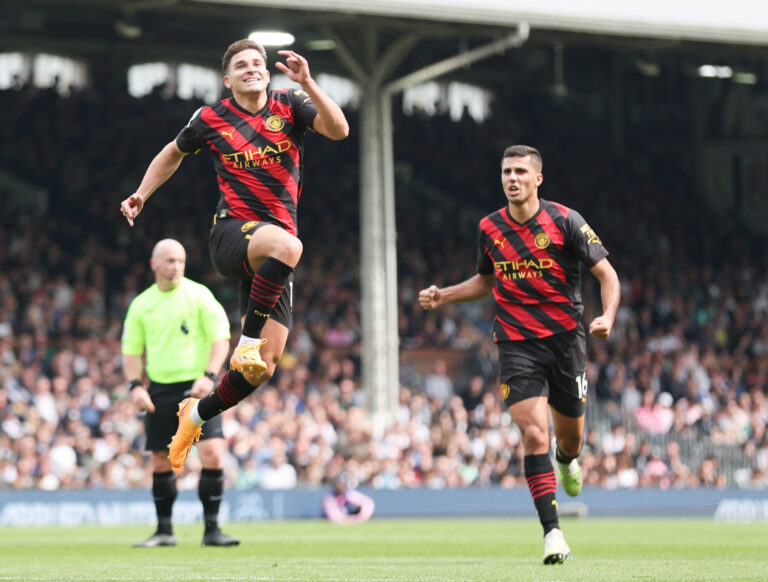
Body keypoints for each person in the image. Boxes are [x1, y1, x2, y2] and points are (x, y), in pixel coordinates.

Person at [119, 39, 349, 474]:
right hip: (231, 237)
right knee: (289, 246)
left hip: (272, 258)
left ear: (268, 72)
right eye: (241, 65)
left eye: (258, 63)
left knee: (264, 368)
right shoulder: (211, 118)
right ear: (228, 80)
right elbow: (172, 153)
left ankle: (196, 415)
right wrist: (141, 194)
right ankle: (246, 342)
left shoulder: (290, 104)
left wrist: (309, 83)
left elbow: (339, 130)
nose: (251, 69)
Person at [418, 145, 620, 565]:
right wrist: (444, 295)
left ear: (537, 179)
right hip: (516, 343)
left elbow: (607, 275)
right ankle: (553, 534)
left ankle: (567, 460)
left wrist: (608, 316)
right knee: (533, 434)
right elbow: (485, 280)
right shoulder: (490, 227)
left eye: (521, 172)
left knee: (570, 440)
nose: (512, 178)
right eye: (507, 171)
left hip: (566, 343)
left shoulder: (566, 220)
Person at [122, 238, 239, 547]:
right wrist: (135, 386)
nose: (176, 267)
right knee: (162, 461)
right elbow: (131, 351)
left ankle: (212, 530)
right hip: (160, 389)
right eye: (170, 261)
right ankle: (164, 531)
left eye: (181, 261)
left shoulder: (200, 295)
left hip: (198, 388)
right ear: (154, 265)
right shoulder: (141, 304)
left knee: (213, 453)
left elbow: (220, 338)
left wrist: (210, 375)